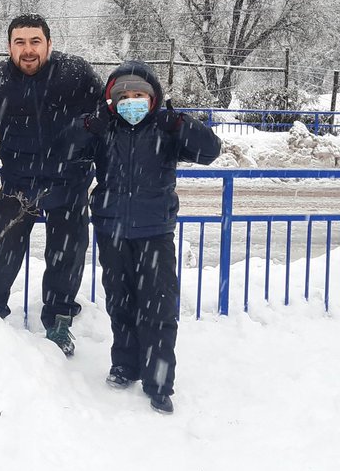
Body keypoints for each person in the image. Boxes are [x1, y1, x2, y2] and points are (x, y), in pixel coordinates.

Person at [55, 61, 221, 414]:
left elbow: (210, 151)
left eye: (140, 96)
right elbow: (65, 150)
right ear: (113, 101)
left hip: (155, 232)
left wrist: (181, 122)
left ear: (153, 99)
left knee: (158, 306)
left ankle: (159, 380)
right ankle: (124, 365)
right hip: (112, 229)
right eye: (125, 97)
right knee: (121, 302)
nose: (132, 102)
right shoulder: (105, 130)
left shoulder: (166, 129)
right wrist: (89, 124)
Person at [0, 13, 102, 355]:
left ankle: (58, 322)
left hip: (68, 182)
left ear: (49, 44)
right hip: (18, 184)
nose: (28, 50)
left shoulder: (76, 75)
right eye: (20, 42)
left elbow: (104, 128)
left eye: (35, 41)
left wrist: (106, 179)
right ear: (9, 46)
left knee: (66, 257)